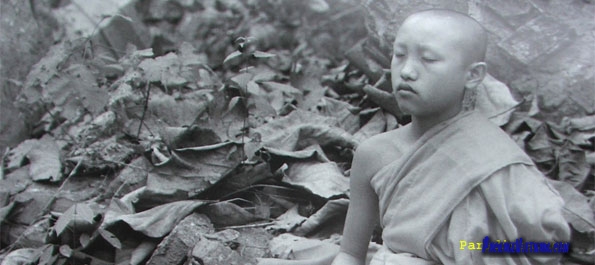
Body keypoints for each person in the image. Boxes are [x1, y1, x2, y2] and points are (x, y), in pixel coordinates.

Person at [331, 9, 571, 265]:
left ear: (473, 75)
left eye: (429, 59)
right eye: (399, 55)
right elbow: (350, 254)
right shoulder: (373, 154)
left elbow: (547, 243)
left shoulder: (495, 158)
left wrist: (471, 248)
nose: (407, 71)